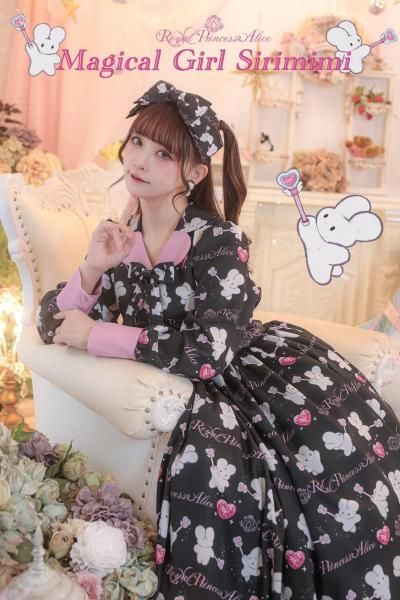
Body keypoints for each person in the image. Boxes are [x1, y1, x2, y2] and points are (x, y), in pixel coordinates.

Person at [36, 80, 400, 599]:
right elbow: (51, 322)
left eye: (163, 153)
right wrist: (93, 268)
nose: (139, 159)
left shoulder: (217, 242)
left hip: (249, 375)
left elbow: (206, 354)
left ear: (195, 172)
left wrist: (98, 333)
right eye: (137, 141)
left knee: (301, 478)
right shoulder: (121, 237)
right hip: (186, 375)